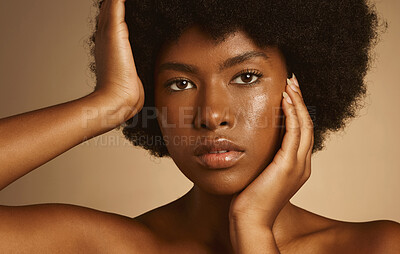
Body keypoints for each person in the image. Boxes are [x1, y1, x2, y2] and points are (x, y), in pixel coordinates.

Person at [0, 0, 399, 253]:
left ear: (299, 84)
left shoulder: (378, 246)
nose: (210, 115)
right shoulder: (109, 246)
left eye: (245, 77)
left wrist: (253, 228)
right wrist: (109, 103)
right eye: (181, 84)